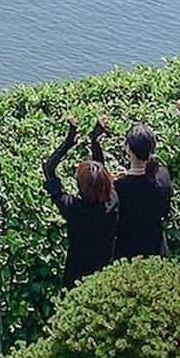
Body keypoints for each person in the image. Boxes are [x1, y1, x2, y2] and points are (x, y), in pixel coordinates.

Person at [43, 117, 118, 287]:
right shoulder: (112, 201)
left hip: (76, 275)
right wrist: (95, 142)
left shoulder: (73, 208)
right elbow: (102, 176)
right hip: (105, 275)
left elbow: (49, 169)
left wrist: (69, 141)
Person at [92, 121, 172, 258]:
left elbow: (100, 179)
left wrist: (95, 144)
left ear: (128, 148)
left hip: (127, 251)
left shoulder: (119, 187)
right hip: (156, 248)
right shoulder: (162, 176)